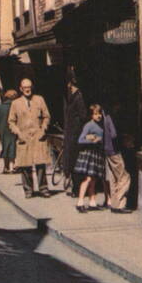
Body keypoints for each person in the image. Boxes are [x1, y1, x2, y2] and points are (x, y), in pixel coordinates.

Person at [8, 78, 51, 198]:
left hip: (38, 136)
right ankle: (28, 190)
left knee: (40, 164)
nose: (28, 89)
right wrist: (18, 133)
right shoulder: (15, 103)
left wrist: (43, 129)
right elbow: (11, 122)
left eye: (29, 87)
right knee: (25, 165)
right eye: (25, 87)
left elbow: (46, 116)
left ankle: (43, 189)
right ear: (21, 89)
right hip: (24, 138)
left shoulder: (39, 99)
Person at [74, 104, 105, 213]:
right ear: (91, 115)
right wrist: (92, 140)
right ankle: (80, 202)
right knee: (87, 179)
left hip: (97, 153)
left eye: (100, 113)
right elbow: (80, 140)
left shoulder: (101, 125)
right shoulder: (89, 125)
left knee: (94, 179)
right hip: (89, 153)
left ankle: (92, 201)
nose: (99, 116)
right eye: (96, 114)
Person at [102, 106, 132, 213]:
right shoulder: (110, 118)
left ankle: (114, 204)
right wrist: (124, 137)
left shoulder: (104, 117)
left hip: (107, 151)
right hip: (114, 151)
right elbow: (114, 134)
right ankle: (119, 204)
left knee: (114, 179)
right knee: (124, 177)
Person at [62, 68, 87, 196]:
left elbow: (83, 116)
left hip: (76, 136)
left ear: (71, 84)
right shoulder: (71, 97)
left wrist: (76, 129)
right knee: (71, 161)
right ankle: (75, 188)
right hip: (71, 134)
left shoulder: (78, 97)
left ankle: (77, 189)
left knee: (75, 161)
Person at [0, 89, 18, 173]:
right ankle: (12, 166)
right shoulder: (15, 106)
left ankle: (5, 167)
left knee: (5, 147)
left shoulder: (1, 106)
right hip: (13, 129)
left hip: (3, 130)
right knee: (12, 146)